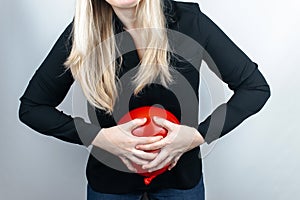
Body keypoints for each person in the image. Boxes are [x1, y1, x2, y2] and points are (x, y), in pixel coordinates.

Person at [18, 0, 270, 199]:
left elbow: (255, 88)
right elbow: (32, 107)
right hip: (110, 185)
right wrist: (98, 137)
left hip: (181, 182)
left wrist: (197, 136)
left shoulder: (190, 22)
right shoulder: (84, 33)